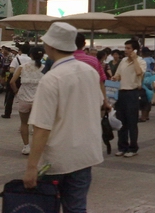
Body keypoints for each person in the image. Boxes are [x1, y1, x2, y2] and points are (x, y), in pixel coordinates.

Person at [22, 22, 104, 212]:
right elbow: (99, 104)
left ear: (50, 46)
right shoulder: (90, 72)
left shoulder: (52, 79)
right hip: (85, 155)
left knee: (44, 207)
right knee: (76, 208)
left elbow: (42, 127)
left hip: (58, 158)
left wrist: (31, 166)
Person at [111, 40, 146, 157]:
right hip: (121, 92)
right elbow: (118, 74)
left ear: (135, 50)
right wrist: (115, 78)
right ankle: (122, 146)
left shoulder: (141, 61)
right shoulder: (123, 61)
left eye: (128, 48)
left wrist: (135, 59)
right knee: (121, 121)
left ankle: (133, 148)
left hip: (132, 93)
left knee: (132, 121)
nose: (126, 50)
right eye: (125, 48)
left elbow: (139, 73)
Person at [10, 46, 45, 155]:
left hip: (24, 98)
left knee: (24, 123)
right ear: (42, 56)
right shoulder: (45, 68)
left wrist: (16, 92)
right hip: (38, 100)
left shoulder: (23, 67)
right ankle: (37, 146)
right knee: (38, 125)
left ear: (30, 55)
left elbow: (12, 82)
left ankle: (26, 146)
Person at [2, 43, 31, 119]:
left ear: (21, 50)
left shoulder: (16, 59)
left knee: (10, 96)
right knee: (26, 95)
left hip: (16, 79)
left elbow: (11, 70)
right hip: (26, 79)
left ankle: (7, 113)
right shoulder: (31, 60)